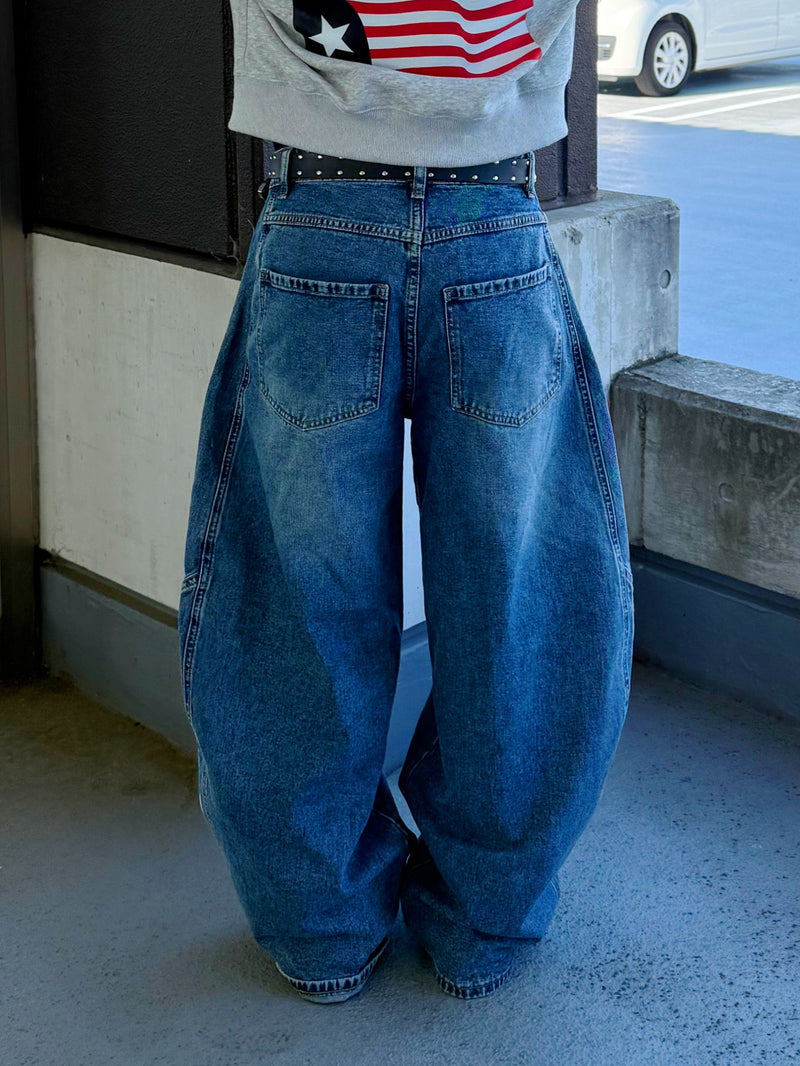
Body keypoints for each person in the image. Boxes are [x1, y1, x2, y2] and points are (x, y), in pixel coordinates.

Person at [177, 0, 635, 1002]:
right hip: (493, 217)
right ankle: (486, 918)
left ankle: (322, 927)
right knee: (519, 601)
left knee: (296, 599)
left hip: (318, 215)